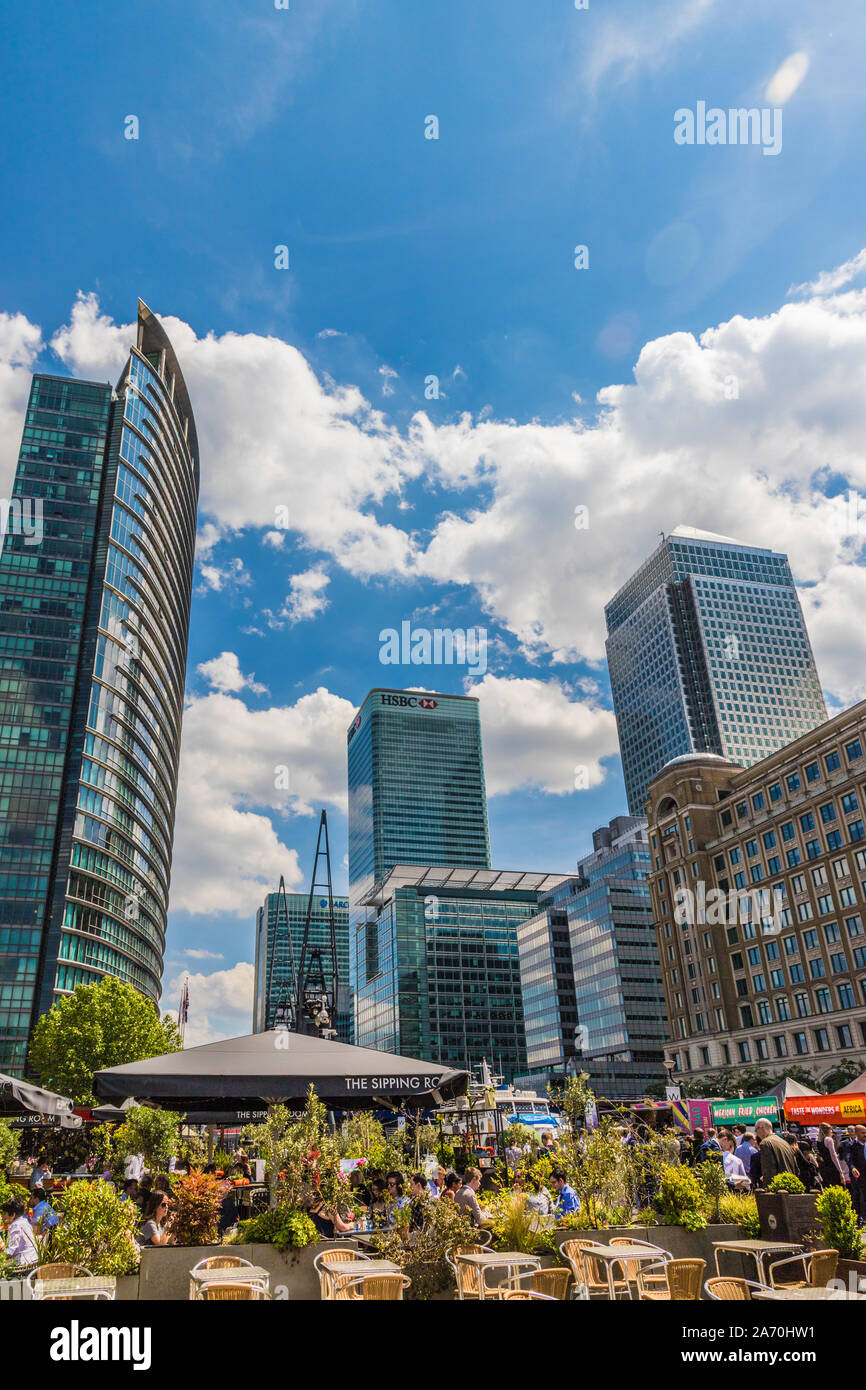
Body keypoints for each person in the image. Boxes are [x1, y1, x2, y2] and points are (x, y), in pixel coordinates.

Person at [754, 1118, 798, 1187]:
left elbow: (769, 1170)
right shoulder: (784, 1142)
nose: (757, 1134)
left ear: (761, 1128)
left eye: (756, 1130)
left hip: (778, 1188)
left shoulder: (765, 1143)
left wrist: (767, 1189)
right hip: (791, 1184)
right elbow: (796, 1168)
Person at [1, 1194, 39, 1268]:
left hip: (24, 1264)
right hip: (34, 1260)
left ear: (12, 1215)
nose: (2, 1216)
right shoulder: (25, 1221)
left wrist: (2, 1254)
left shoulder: (15, 1225)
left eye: (4, 1213)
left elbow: (10, 1251)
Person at [816, 1122, 846, 1190]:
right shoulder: (828, 1140)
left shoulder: (819, 1141)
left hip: (824, 1167)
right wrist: (840, 1171)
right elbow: (833, 1156)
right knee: (838, 1187)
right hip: (832, 1167)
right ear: (829, 1130)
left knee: (828, 1187)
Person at [847, 1125, 866, 1224]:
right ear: (857, 1133)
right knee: (858, 1197)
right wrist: (853, 1168)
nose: (865, 1135)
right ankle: (859, 1218)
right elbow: (849, 1159)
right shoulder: (851, 1145)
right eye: (863, 1133)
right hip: (858, 1176)